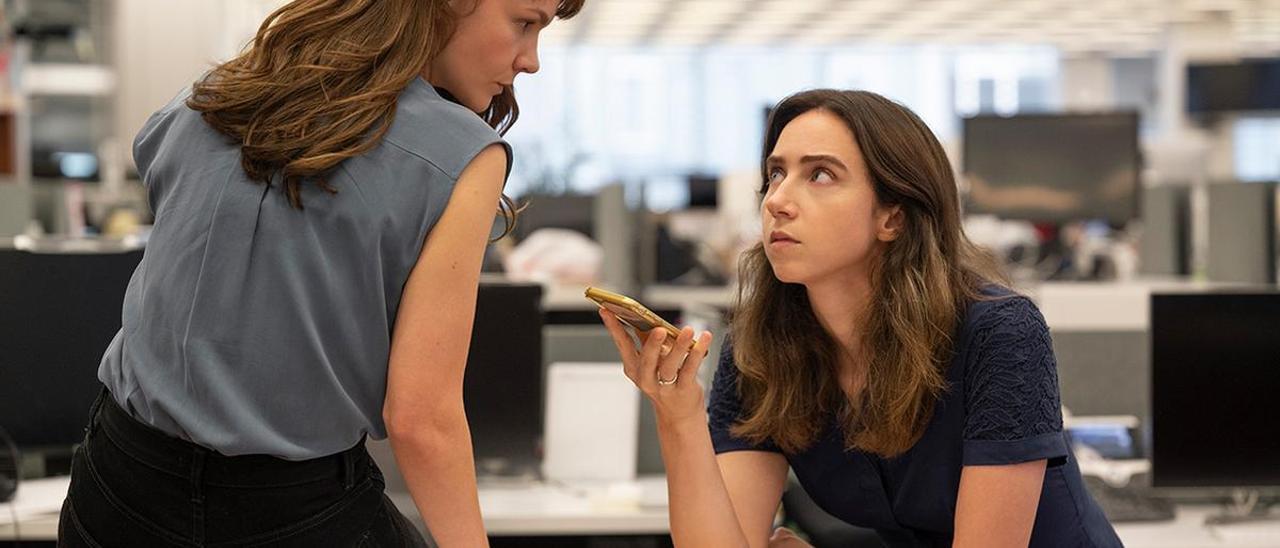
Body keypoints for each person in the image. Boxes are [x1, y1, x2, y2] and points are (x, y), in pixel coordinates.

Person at [59, 1, 583, 546]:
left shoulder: (217, 95)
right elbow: (420, 420)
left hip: (117, 486)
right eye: (526, 23)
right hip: (291, 509)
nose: (532, 61)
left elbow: (159, 178)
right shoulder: (464, 153)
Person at [598, 89, 1122, 547]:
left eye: (820, 175)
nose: (777, 200)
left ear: (891, 215)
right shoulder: (762, 348)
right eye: (775, 174)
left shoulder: (999, 334)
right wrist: (679, 414)